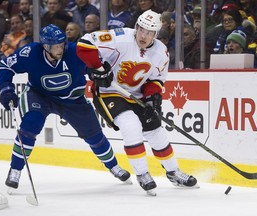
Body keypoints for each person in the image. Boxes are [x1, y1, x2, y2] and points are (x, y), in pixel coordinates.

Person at [76, 9, 197, 195]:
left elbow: (155, 80)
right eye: (141, 30)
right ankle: (142, 173)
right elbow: (84, 43)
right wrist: (98, 67)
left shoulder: (161, 52)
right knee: (131, 126)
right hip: (110, 92)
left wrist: (152, 99)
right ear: (136, 27)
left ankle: (173, 172)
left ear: (156, 35)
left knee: (156, 132)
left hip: (137, 95)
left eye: (149, 33)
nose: (143, 35)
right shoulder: (120, 37)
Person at [0, 24, 131, 190]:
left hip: (73, 99)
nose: (60, 48)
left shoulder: (75, 51)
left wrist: (99, 72)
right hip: (40, 95)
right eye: (56, 46)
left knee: (94, 135)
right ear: (45, 46)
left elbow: (96, 63)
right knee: (30, 125)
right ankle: (15, 170)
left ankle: (114, 166)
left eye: (62, 44)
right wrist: (5, 88)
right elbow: (5, 65)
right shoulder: (30, 53)